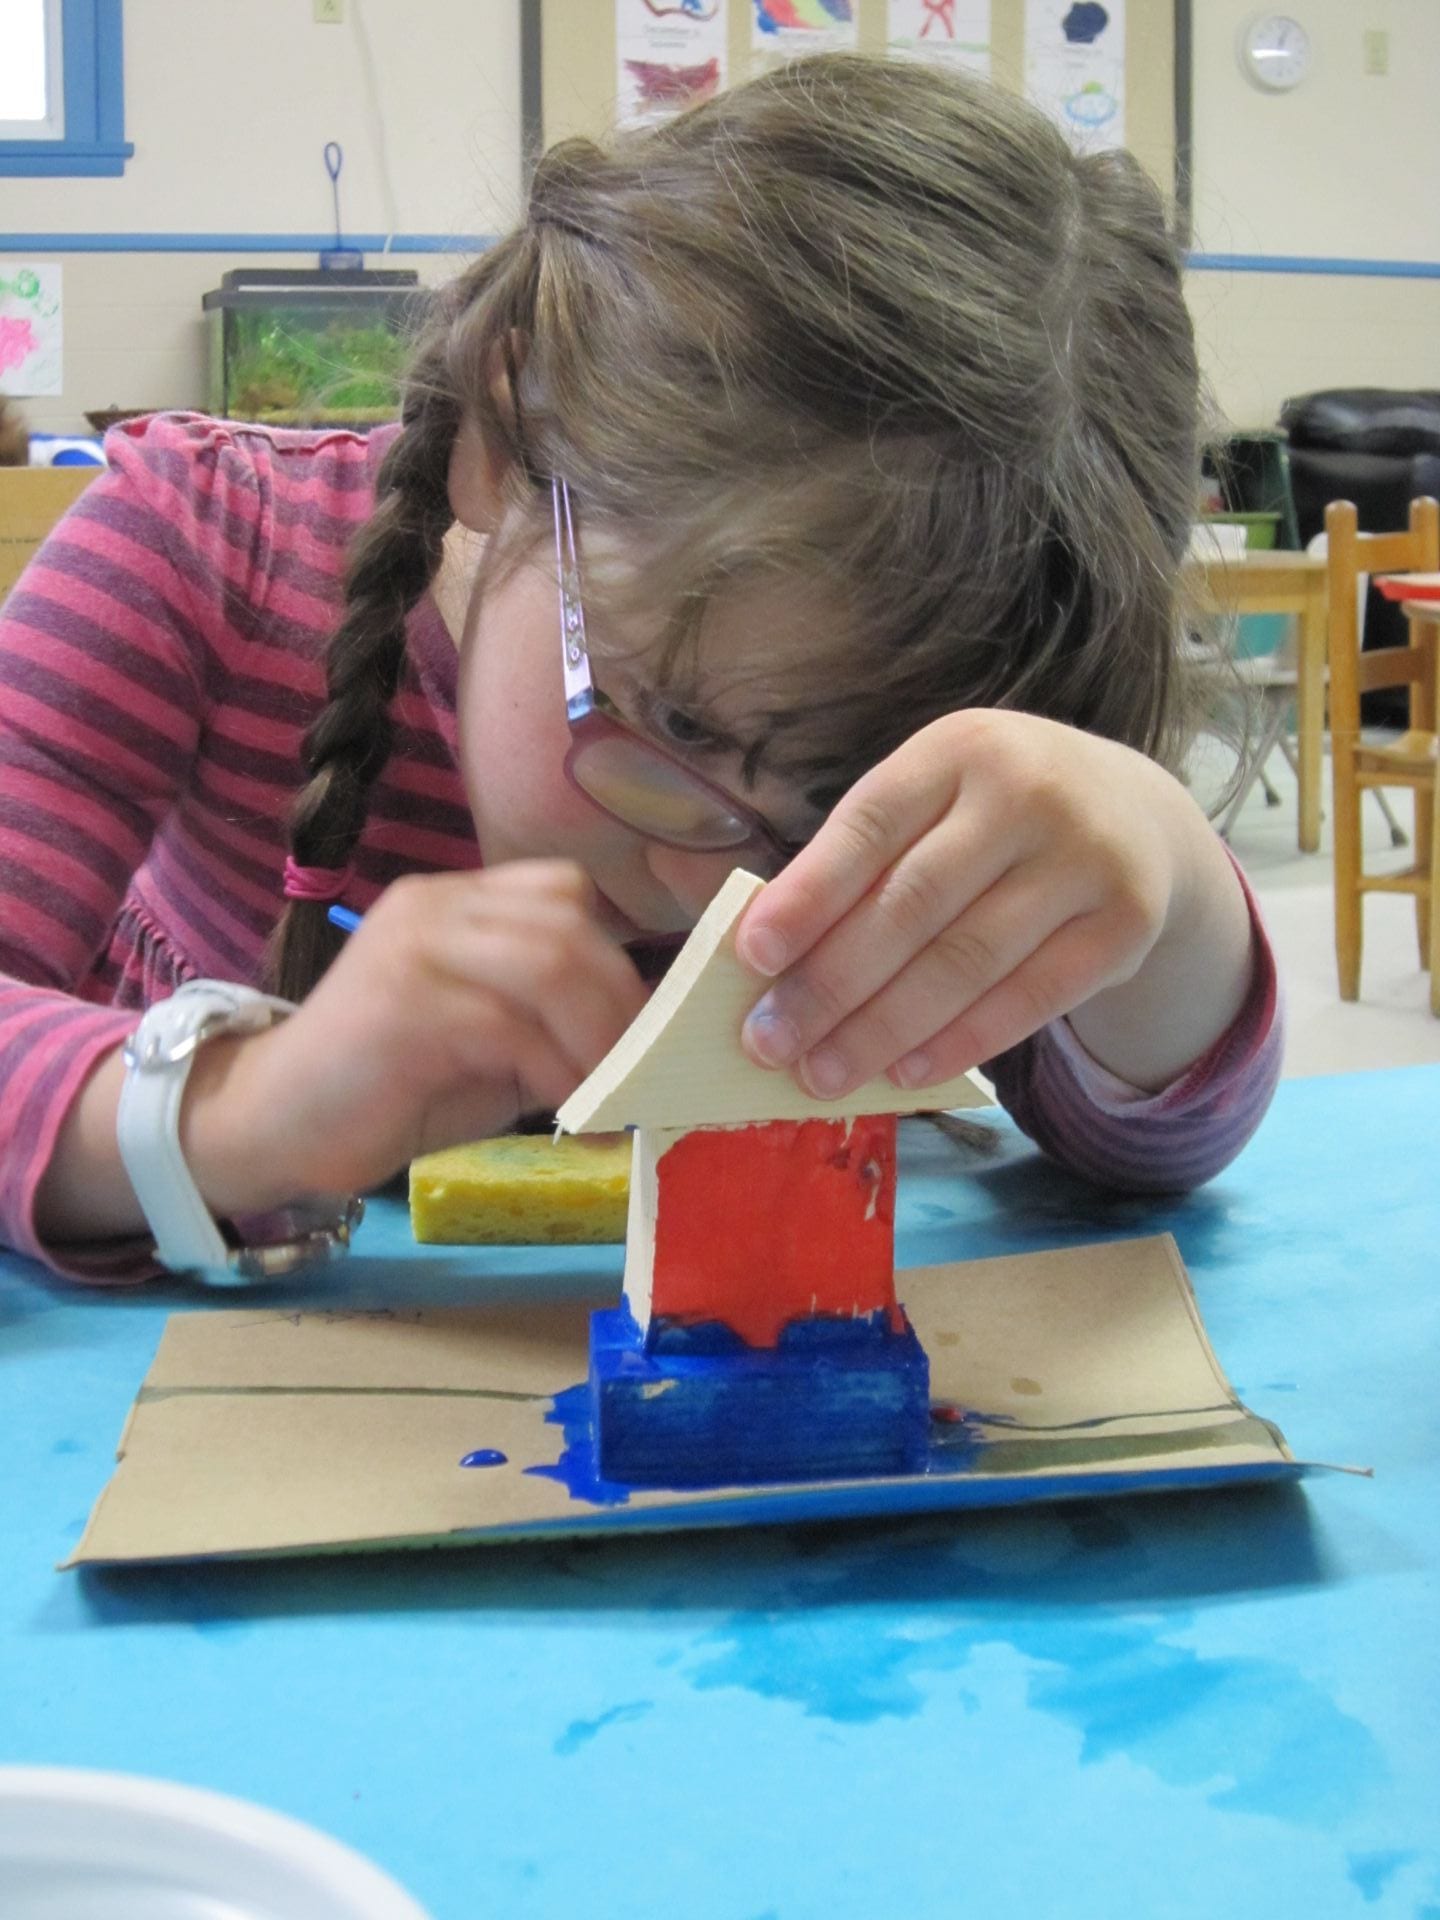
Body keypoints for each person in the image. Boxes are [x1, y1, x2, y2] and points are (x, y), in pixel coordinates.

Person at [0, 55, 1278, 1284]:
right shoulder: (195, 543)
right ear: (505, 442)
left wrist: (1162, 885)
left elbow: (1140, 1148)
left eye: (833, 800)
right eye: (672, 718)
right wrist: (238, 1111)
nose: (706, 878)